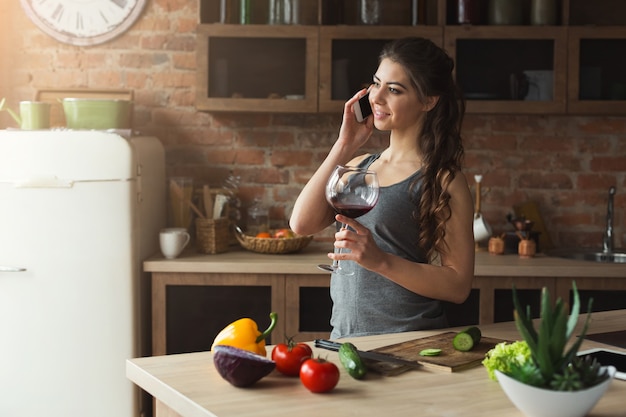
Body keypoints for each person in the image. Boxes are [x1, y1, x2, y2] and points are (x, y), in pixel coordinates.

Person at [289, 37, 475, 339]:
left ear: (428, 101)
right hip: (346, 338)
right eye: (376, 84)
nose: (377, 97)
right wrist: (345, 144)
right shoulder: (360, 166)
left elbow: (458, 285)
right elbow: (301, 223)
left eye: (394, 90)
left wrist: (380, 261)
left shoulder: (442, 178)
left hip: (408, 338)